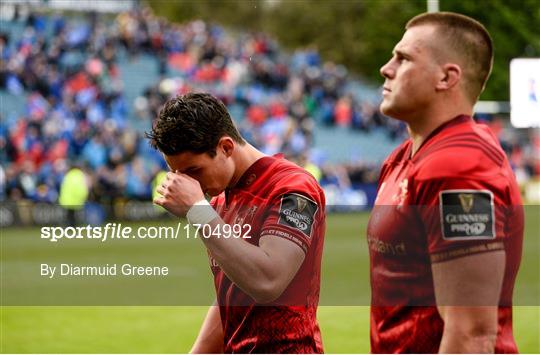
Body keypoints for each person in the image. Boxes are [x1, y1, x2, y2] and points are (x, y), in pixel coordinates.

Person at [367, 12, 524, 353]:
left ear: (446, 77)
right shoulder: (400, 159)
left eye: (404, 58)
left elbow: (472, 334)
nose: (386, 68)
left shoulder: (460, 165)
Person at [146, 92, 325, 353]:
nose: (187, 184)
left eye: (193, 171)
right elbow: (233, 294)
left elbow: (268, 281)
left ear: (226, 147)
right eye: (176, 173)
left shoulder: (292, 187)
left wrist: (198, 212)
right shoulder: (219, 200)